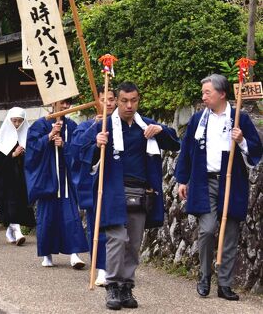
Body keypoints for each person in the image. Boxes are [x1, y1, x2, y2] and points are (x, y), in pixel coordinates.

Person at [80, 82, 180, 310]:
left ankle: (126, 286)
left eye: (133, 100)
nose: (128, 105)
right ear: (116, 100)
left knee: (134, 242)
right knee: (116, 239)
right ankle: (113, 285)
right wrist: (97, 144)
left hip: (141, 191)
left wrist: (162, 130)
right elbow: (81, 152)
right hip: (112, 191)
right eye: (124, 100)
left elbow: (175, 143)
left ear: (138, 100)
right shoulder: (105, 126)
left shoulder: (146, 125)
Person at [175, 74, 262, 301]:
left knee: (230, 233)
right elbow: (186, 151)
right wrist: (182, 180)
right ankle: (204, 276)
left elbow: (256, 150)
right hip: (204, 181)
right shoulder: (198, 120)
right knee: (206, 229)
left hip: (232, 181)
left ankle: (224, 284)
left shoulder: (238, 118)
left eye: (207, 93)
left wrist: (242, 140)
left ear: (222, 94)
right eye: (203, 93)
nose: (203, 97)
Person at [25, 98, 88, 269]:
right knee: (47, 218)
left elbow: (78, 151)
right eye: (63, 103)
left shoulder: (73, 126)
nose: (66, 106)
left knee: (71, 217)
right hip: (48, 180)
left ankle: (74, 254)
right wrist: (49, 137)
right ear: (53, 103)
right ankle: (47, 254)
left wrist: (64, 145)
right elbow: (31, 151)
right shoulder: (39, 125)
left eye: (68, 103)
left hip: (66, 180)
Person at [71, 87, 117, 286]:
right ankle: (101, 268)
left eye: (111, 99)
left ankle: (117, 268)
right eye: (104, 99)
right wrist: (94, 135)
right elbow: (76, 149)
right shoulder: (87, 126)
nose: (108, 103)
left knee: (118, 230)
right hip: (95, 183)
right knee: (97, 228)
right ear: (97, 101)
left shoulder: (121, 124)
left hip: (117, 183)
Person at [0, 107, 35, 245]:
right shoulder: (2, 138)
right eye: (14, 121)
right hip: (6, 179)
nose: (17, 124)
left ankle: (10, 230)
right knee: (10, 204)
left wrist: (24, 154)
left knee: (21, 203)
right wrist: (13, 155)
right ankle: (17, 231)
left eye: (20, 121)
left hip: (22, 178)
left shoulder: (28, 135)